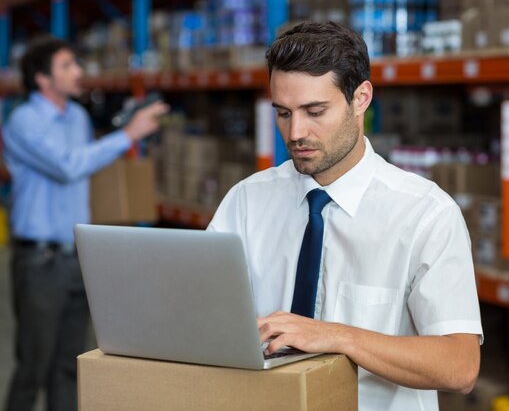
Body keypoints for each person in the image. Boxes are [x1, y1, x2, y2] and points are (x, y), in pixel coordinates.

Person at [208, 21, 483, 411]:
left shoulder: (425, 214)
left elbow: (460, 366)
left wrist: (338, 337)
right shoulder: (247, 201)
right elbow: (205, 317)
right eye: (283, 113)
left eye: (314, 111)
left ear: (361, 98)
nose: (296, 132)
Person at [2, 36, 168, 411]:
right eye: (67, 66)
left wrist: (123, 125)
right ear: (43, 79)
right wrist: (127, 135)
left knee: (69, 366)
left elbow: (86, 162)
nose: (79, 71)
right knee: (33, 366)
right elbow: (68, 166)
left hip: (77, 259)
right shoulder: (24, 120)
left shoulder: (76, 117)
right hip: (40, 262)